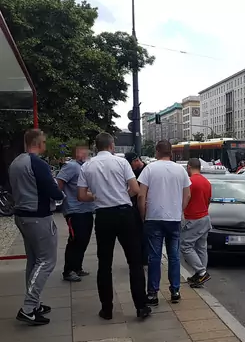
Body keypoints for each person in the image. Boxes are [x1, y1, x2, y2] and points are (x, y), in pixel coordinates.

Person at [77, 133, 151, 320]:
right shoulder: (121, 163)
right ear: (111, 145)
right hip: (125, 214)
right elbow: (134, 189)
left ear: (96, 146)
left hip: (103, 215)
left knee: (104, 264)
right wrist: (121, 195)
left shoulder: (87, 166)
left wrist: (97, 196)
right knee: (134, 261)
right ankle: (141, 306)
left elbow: (81, 196)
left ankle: (107, 309)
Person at [10, 129, 65, 325]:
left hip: (22, 216)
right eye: (44, 141)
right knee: (46, 261)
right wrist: (61, 196)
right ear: (38, 142)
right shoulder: (37, 163)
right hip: (38, 217)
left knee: (34, 261)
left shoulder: (16, 162)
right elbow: (51, 189)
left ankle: (34, 305)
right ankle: (28, 307)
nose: (45, 145)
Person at [137, 141, 191, 305]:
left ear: (157, 151)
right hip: (173, 219)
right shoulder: (180, 170)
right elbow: (187, 195)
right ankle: (175, 291)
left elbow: (141, 196)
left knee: (154, 256)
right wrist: (179, 210)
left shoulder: (149, 169)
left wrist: (143, 215)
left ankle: (153, 294)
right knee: (174, 256)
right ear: (171, 152)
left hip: (153, 218)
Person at [56, 144, 95, 282]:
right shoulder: (71, 166)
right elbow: (59, 182)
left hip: (86, 209)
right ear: (77, 152)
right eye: (84, 151)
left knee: (84, 239)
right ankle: (69, 270)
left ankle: (77, 267)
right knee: (75, 240)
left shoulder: (82, 166)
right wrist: (61, 198)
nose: (87, 154)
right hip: (74, 210)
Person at [180, 158, 212, 288]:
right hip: (205, 217)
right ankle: (200, 276)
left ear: (189, 167)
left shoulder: (190, 181)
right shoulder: (206, 182)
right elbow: (208, 200)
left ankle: (201, 272)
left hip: (194, 218)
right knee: (201, 247)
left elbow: (186, 197)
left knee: (185, 246)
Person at [125, 152, 148, 266]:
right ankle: (140, 257)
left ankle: (145, 258)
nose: (131, 167)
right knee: (136, 233)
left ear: (136, 161)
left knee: (145, 233)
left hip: (144, 204)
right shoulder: (133, 171)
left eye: (131, 164)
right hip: (133, 205)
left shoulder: (147, 170)